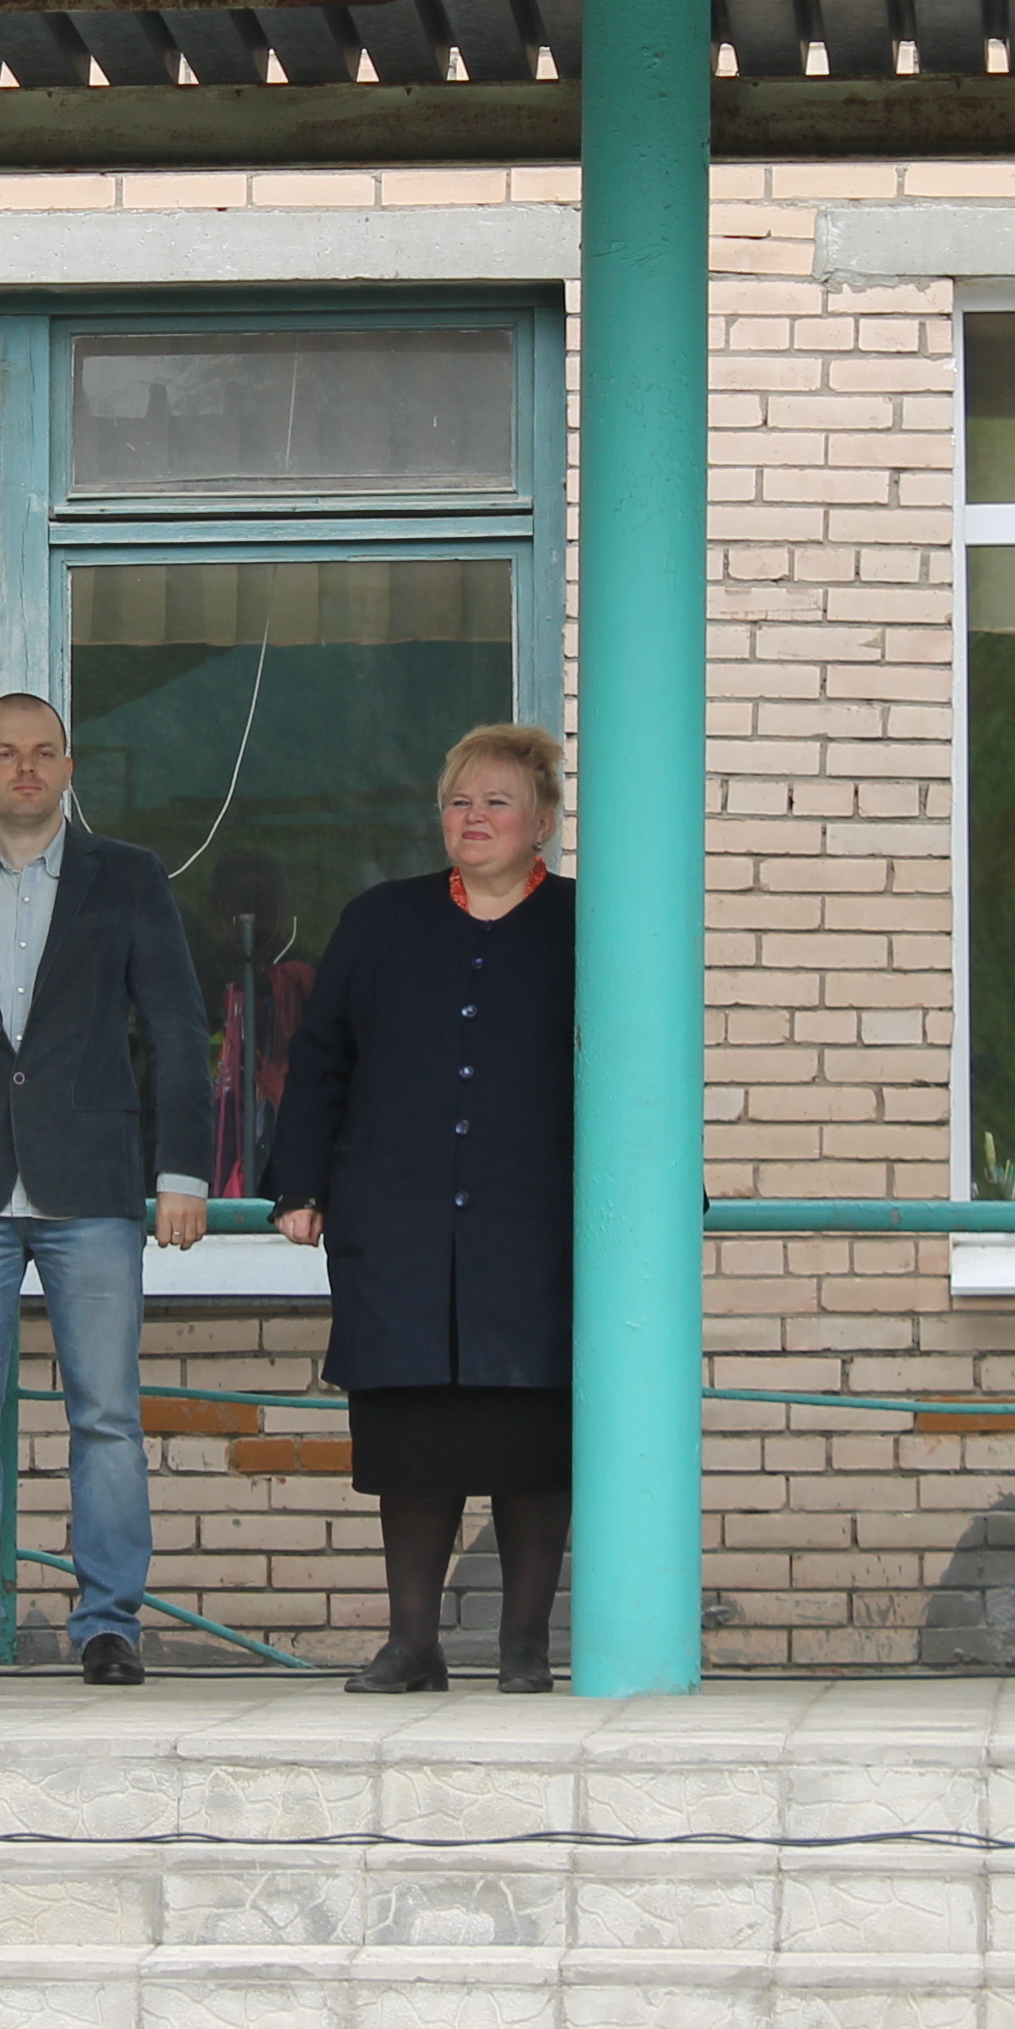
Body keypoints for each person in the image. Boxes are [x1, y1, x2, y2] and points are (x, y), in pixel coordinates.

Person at [0, 694, 211, 1688]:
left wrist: (183, 1168)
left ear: (69, 769)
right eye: (4, 753)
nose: (24, 768)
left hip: (94, 1183)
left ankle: (110, 1624)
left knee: (107, 1413)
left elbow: (176, 1026)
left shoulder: (130, 876)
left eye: (42, 753)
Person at [269, 724, 575, 1695]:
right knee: (412, 1437)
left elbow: (641, 1063)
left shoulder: (586, 923)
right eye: (458, 801)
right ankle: (413, 1645)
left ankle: (524, 1648)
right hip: (397, 1222)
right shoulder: (379, 920)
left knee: (531, 1441)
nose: (473, 817)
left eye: (497, 802)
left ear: (543, 822)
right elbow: (322, 1056)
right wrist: (299, 1184)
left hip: (534, 1227)